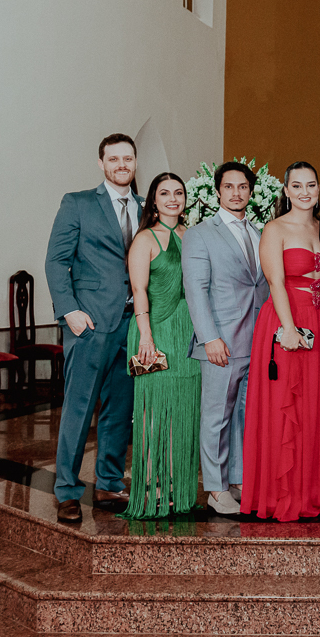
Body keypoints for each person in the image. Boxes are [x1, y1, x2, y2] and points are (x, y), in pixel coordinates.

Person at [44, 134, 142, 523]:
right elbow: (55, 260)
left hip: (133, 324)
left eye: (128, 158)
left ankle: (108, 483)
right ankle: (67, 490)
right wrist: (69, 311)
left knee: (120, 409)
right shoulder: (78, 203)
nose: (122, 165)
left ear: (135, 163)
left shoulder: (144, 206)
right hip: (90, 322)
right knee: (79, 407)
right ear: (101, 163)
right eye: (114, 159)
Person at [241, 162, 320, 521]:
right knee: (286, 405)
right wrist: (288, 328)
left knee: (313, 406)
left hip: (318, 320)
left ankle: (311, 491)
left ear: (318, 188)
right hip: (286, 320)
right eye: (296, 185)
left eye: (311, 184)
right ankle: (280, 494)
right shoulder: (275, 228)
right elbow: (276, 283)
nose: (304, 191)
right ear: (286, 191)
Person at [182, 161, 270, 515]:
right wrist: (209, 338)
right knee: (216, 417)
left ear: (251, 192)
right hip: (221, 342)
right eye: (229, 187)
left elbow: (260, 286)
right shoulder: (201, 233)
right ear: (218, 191)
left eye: (243, 187)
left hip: (256, 341)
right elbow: (196, 289)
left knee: (245, 417)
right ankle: (216, 489)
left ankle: (239, 480)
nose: (236, 193)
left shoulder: (259, 232)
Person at [121, 172, 200, 518]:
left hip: (189, 333)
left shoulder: (192, 235)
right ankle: (152, 486)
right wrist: (147, 337)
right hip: (155, 330)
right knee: (156, 413)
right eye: (165, 193)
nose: (172, 199)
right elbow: (138, 290)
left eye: (178, 192)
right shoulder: (145, 239)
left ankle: (179, 489)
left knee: (184, 411)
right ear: (153, 199)